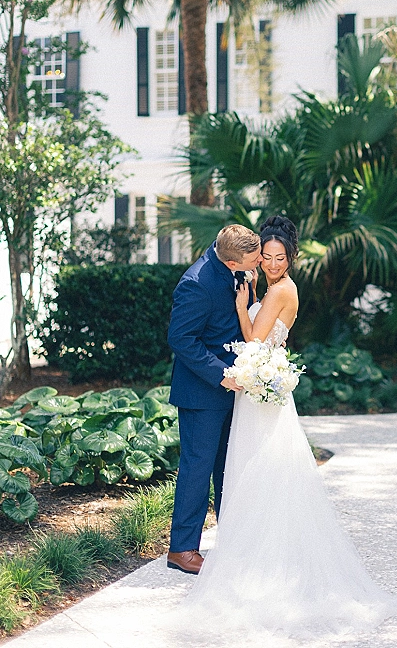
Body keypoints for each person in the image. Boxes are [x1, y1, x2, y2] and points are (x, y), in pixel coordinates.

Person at [175, 215, 397, 640]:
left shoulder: (277, 289)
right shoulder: (212, 280)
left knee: (248, 469)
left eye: (276, 257)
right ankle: (185, 548)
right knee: (212, 466)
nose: (266, 264)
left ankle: (245, 547)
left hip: (248, 386)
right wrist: (230, 362)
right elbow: (184, 338)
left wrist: (241, 314)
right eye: (263, 257)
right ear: (248, 255)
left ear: (290, 257)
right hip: (222, 388)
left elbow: (250, 337)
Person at [165, 224, 262, 575]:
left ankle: (232, 540)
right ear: (232, 260)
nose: (259, 263)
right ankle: (182, 549)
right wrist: (222, 374)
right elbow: (180, 339)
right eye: (253, 259)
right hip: (202, 394)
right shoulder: (196, 284)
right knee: (197, 469)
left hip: (234, 390)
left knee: (228, 468)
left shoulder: (236, 268)